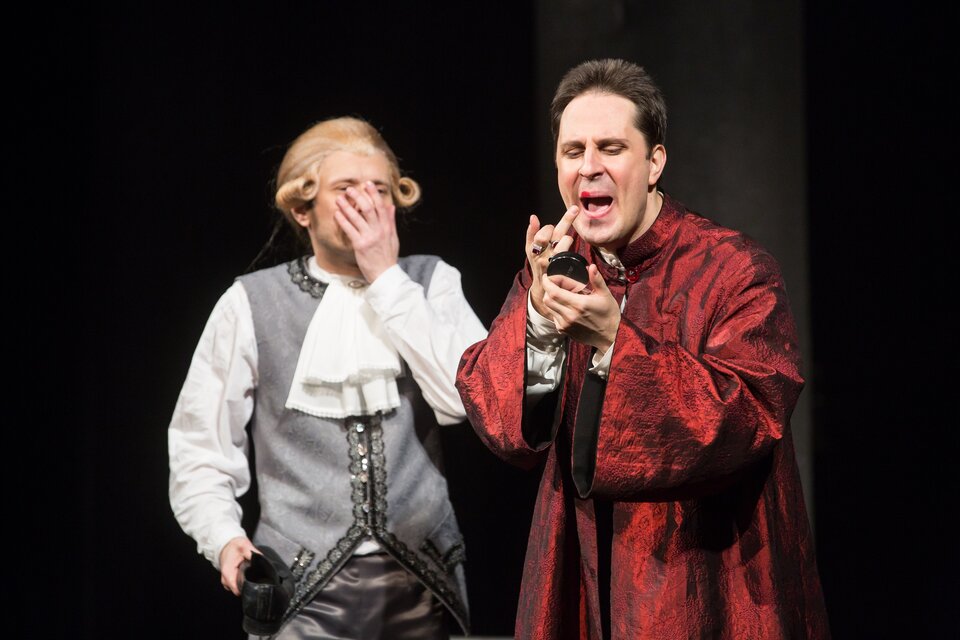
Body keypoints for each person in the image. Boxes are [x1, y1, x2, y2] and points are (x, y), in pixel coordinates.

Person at [456, 59, 830, 639]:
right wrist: (537, 316)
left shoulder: (736, 271)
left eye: (611, 148)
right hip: (580, 568)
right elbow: (501, 424)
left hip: (705, 577)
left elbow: (748, 417)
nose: (590, 166)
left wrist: (616, 341)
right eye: (573, 151)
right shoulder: (554, 270)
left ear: (655, 162)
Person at [169, 116, 486, 638]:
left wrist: (387, 277)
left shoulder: (431, 283)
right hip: (300, 590)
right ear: (303, 209)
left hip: (423, 586)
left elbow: (469, 402)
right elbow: (199, 445)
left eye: (379, 189)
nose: (366, 202)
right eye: (346, 188)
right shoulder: (251, 302)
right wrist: (223, 537)